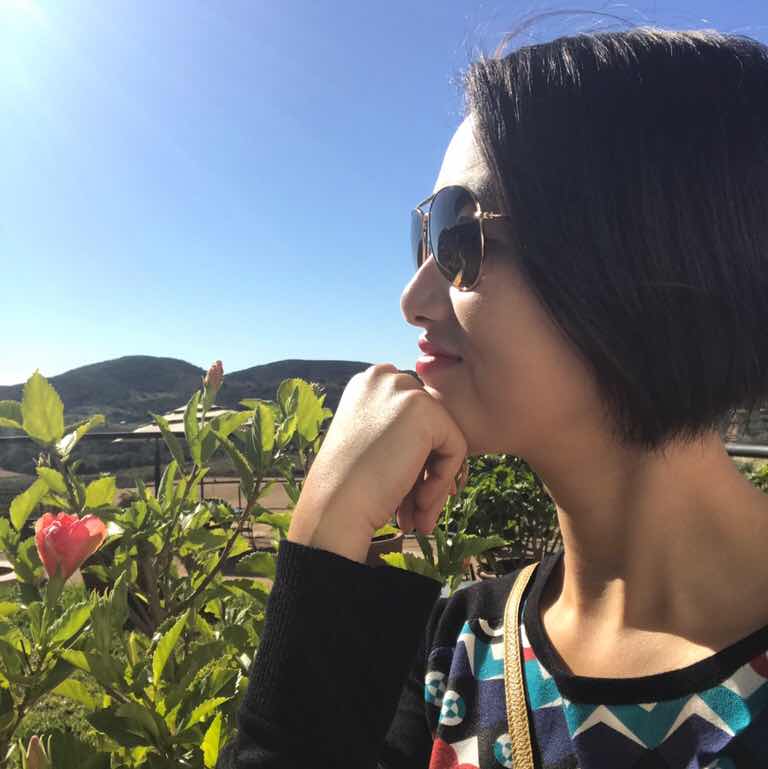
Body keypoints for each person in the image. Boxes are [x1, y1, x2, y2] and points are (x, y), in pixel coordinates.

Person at [218, 26, 768, 768]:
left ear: (645, 251)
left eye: (458, 235)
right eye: (424, 239)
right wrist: (325, 538)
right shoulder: (459, 648)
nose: (413, 299)